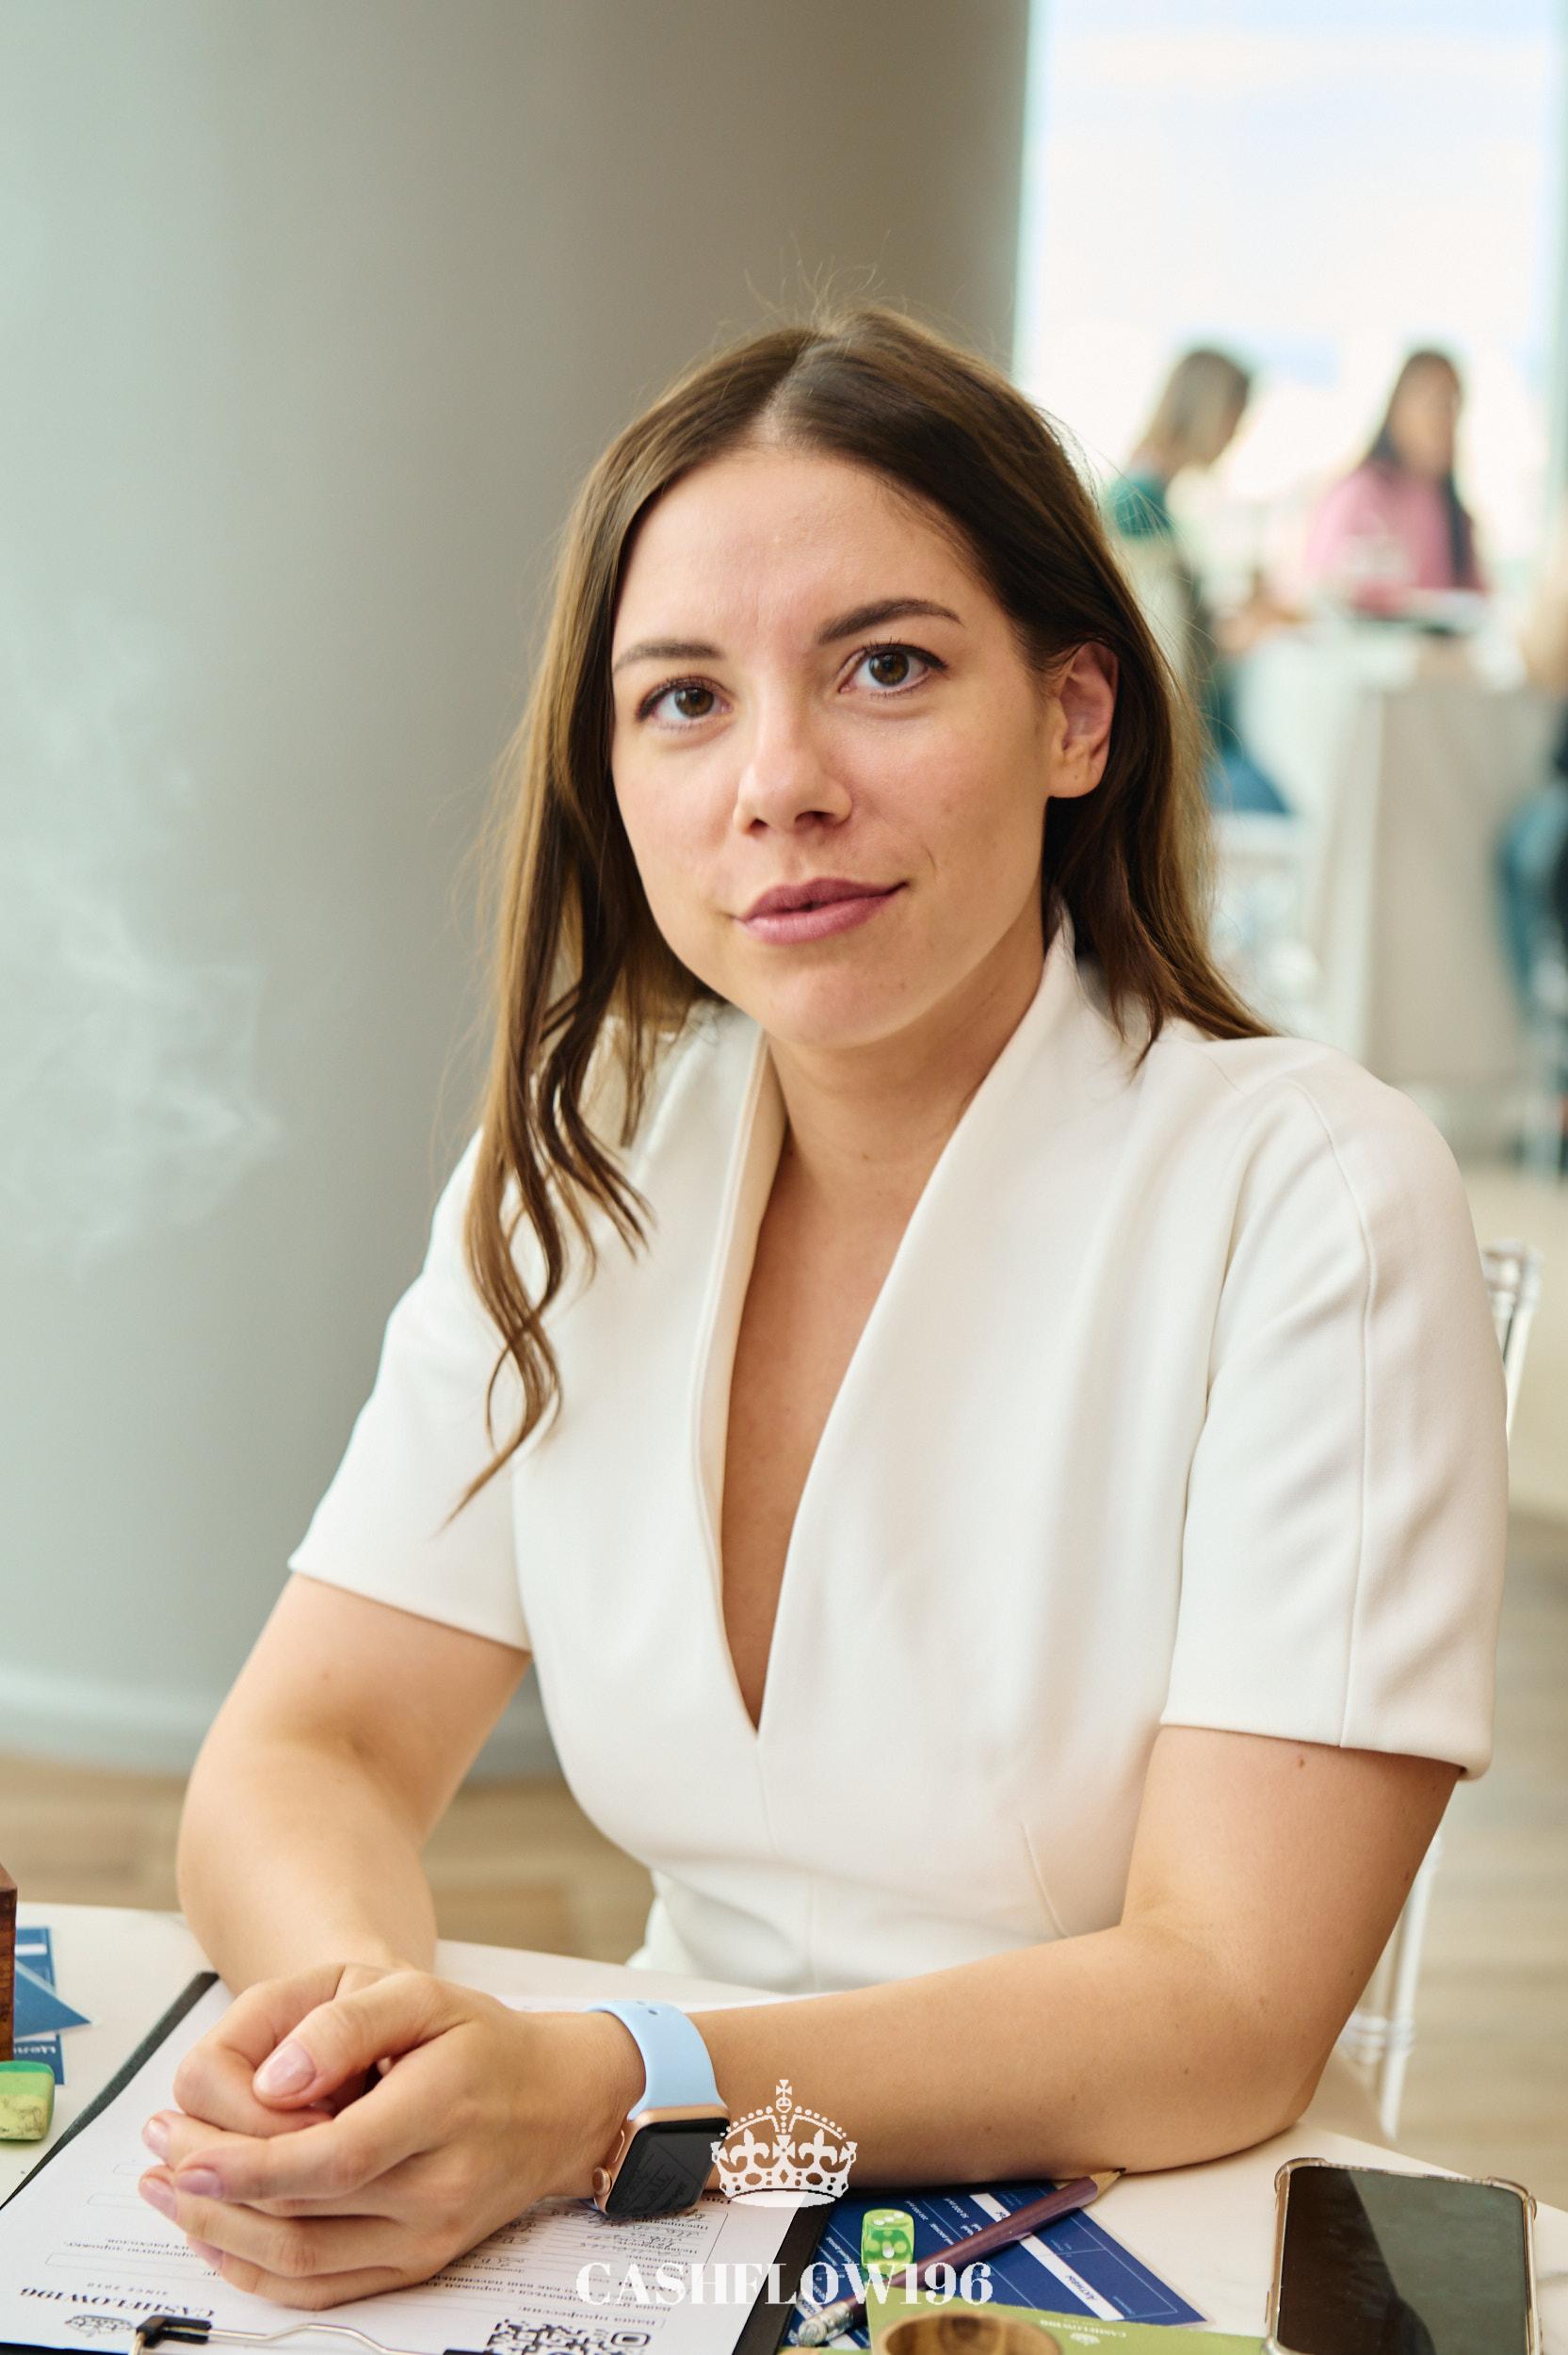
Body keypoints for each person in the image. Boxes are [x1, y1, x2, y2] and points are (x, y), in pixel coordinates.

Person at [146, 302, 1508, 2307]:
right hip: (639, 2224)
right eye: (684, 698)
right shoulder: (586, 1153)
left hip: (1127, 2228)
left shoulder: (1311, 1193)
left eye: (885, 666)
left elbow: (1223, 2009)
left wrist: (617, 2094)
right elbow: (309, 1749)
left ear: (1077, 714)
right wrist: (366, 2047)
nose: (776, 782)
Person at [1105, 348, 1292, 813]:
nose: (1235, 435)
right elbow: (1165, 649)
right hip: (1184, 758)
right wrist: (1241, 628)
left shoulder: (1148, 498)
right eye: (1234, 418)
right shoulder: (1138, 506)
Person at [1302, 349, 1487, 612]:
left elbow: (1479, 603)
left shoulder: (1451, 510)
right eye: (1438, 405)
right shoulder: (1359, 494)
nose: (1448, 422)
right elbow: (1319, 593)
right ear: (1399, 408)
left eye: (1455, 406)